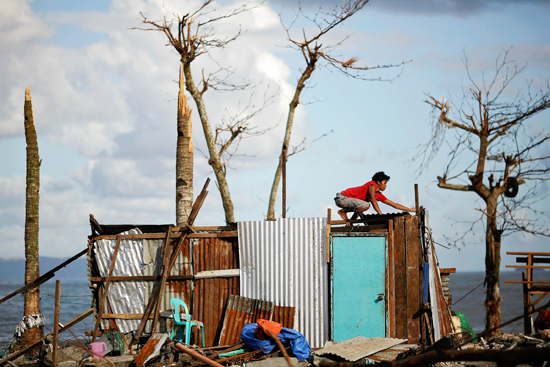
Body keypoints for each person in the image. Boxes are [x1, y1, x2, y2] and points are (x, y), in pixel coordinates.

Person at [334, 171, 415, 221]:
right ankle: (343, 211)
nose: (386, 186)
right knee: (366, 205)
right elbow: (373, 200)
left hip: (348, 201)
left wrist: (411, 209)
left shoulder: (378, 195)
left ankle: (350, 221)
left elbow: (395, 205)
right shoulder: (372, 185)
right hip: (342, 198)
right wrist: (380, 214)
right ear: (379, 182)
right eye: (385, 183)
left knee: (361, 209)